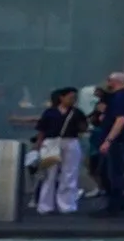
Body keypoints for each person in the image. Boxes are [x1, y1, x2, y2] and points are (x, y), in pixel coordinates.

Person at [92, 70, 124, 217]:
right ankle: (120, 202)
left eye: (109, 80)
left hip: (117, 141)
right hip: (121, 139)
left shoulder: (119, 98)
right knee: (111, 171)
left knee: (112, 172)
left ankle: (115, 205)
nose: (107, 83)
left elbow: (120, 120)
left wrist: (109, 140)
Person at [33, 87, 85, 215]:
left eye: (74, 98)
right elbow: (42, 129)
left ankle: (67, 205)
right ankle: (45, 205)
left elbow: (83, 127)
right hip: (51, 141)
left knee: (70, 172)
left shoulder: (77, 112)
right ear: (61, 98)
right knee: (49, 174)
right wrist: (39, 144)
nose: (73, 100)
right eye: (71, 97)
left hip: (70, 140)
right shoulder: (50, 112)